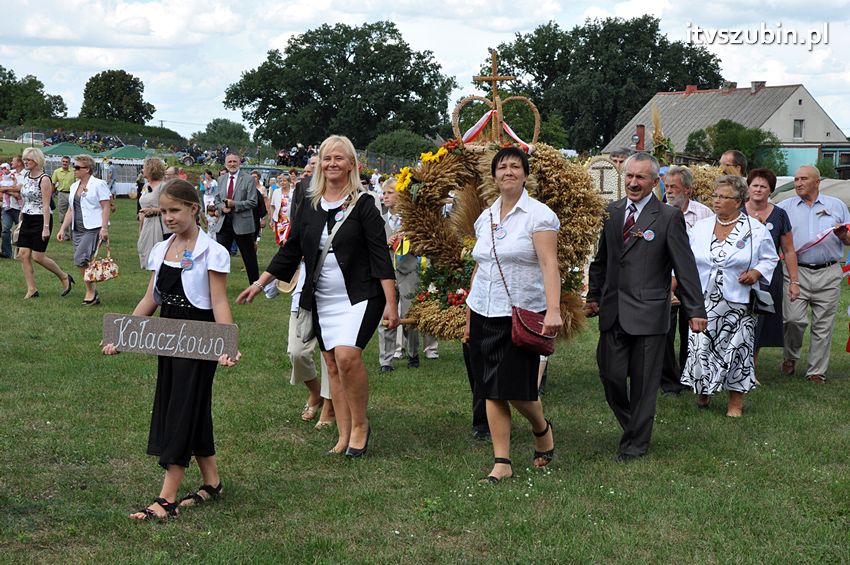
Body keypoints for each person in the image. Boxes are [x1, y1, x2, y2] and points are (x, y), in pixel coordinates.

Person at [237, 135, 398, 457]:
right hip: (321, 298)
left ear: (352, 164)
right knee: (332, 364)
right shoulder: (310, 203)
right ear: (320, 163)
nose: (332, 164)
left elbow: (380, 256)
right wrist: (259, 282)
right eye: (327, 158)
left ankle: (360, 426)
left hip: (360, 296)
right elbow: (292, 249)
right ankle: (343, 433)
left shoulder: (364, 204)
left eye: (339, 158)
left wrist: (391, 305)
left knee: (348, 357)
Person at [102, 179, 239, 521]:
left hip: (200, 339)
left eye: (175, 210)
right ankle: (212, 482)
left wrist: (227, 343)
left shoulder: (213, 251)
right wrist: (124, 334)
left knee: (181, 408)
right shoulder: (161, 250)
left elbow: (219, 301)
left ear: (194, 209)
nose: (168, 217)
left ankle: (167, 498)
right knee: (186, 405)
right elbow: (152, 298)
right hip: (168, 338)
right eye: (163, 211)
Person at [586, 152, 707, 462]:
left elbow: (685, 266)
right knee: (610, 376)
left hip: (650, 314)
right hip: (614, 312)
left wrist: (695, 310)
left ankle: (635, 444)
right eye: (628, 176)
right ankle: (635, 427)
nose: (633, 183)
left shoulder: (667, 217)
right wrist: (594, 296)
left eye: (640, 177)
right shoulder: (612, 212)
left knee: (643, 386)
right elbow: (602, 260)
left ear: (655, 182)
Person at [465, 146, 561, 483]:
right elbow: (481, 266)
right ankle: (501, 461)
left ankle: (541, 427)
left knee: (517, 390)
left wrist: (553, 309)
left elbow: (550, 264)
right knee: (490, 388)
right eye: (502, 167)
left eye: (515, 166)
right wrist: (468, 314)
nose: (508, 172)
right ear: (493, 176)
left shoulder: (540, 216)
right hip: (483, 311)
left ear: (525, 174)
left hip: (520, 313)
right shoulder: (485, 217)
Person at [682, 176, 779, 416]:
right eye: (715, 196)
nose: (716, 200)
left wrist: (756, 273)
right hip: (704, 299)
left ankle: (735, 402)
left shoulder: (755, 229)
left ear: (738, 201)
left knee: (738, 350)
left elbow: (770, 258)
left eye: (723, 197)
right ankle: (703, 389)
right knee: (701, 346)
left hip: (739, 302)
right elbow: (685, 259)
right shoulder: (701, 227)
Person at [777, 165, 850, 383]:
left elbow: (849, 239)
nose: (798, 183)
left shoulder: (836, 206)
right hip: (795, 271)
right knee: (792, 319)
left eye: (803, 179)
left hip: (828, 271)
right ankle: (790, 356)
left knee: (823, 324)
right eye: (796, 179)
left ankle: (816, 371)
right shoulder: (784, 207)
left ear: (817, 182)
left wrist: (844, 236)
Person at [660, 166, 714, 395]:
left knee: (691, 332)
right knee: (665, 332)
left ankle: (688, 375)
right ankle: (669, 381)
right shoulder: (659, 212)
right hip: (665, 280)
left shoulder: (705, 214)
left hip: (694, 281)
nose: (669, 191)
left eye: (674, 187)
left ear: (688, 190)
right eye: (667, 186)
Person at [745, 168, 800, 364]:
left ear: (771, 190)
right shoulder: (737, 211)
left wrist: (794, 281)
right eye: (755, 185)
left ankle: (751, 365)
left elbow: (789, 250)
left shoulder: (780, 214)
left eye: (763, 186)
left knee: (762, 319)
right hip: (740, 273)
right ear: (748, 188)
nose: (758, 190)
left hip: (769, 275)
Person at [16, 148, 74, 299]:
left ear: (37, 161)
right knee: (23, 254)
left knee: (37, 256)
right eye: (24, 159)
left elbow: (46, 205)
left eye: (28, 159)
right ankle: (32, 289)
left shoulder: (45, 179)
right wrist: (21, 219)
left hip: (41, 219)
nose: (25, 162)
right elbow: (26, 200)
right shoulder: (26, 176)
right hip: (27, 217)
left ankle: (64, 276)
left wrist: (46, 228)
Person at [377, 178, 423, 372]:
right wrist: (386, 242)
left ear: (401, 195)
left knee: (409, 314)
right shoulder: (379, 219)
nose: (385, 196)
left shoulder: (412, 221)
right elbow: (372, 246)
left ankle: (413, 353)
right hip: (386, 273)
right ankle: (386, 360)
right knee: (386, 315)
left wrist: (409, 241)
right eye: (384, 193)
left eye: (389, 193)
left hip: (408, 272)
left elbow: (423, 246)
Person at [56, 155, 112, 305]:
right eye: (74, 166)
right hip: (77, 229)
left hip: (93, 228)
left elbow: (106, 206)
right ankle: (92, 290)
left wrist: (104, 228)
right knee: (82, 262)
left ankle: (91, 291)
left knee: (80, 258)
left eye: (77, 167)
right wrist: (62, 229)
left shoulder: (99, 184)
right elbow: (70, 210)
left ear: (87, 169)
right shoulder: (74, 186)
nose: (74, 169)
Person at [211, 154, 260, 284]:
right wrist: (222, 207)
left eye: (234, 161)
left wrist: (234, 205)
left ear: (239, 163)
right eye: (229, 162)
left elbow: (253, 202)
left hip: (242, 223)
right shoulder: (221, 179)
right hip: (224, 222)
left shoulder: (248, 179)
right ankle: (216, 285)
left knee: (249, 256)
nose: (232, 164)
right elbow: (216, 199)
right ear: (225, 164)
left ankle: (255, 284)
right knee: (220, 257)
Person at [137, 157, 168, 269]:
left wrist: (153, 210)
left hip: (160, 225)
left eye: (144, 167)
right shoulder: (145, 186)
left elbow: (170, 207)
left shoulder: (163, 187)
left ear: (151, 169)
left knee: (159, 258)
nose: (142, 170)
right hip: (146, 223)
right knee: (145, 252)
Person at [0, 161, 22, 259]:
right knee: (5, 230)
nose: (3, 170)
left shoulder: (23, 175)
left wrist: (7, 190)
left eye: (5, 168)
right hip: (7, 207)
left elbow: (19, 190)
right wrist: (12, 189)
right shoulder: (5, 176)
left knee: (22, 230)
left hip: (19, 208)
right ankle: (6, 252)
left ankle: (22, 252)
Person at [51, 156, 75, 239]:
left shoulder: (74, 171)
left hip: (72, 194)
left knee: (73, 214)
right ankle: (65, 235)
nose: (65, 163)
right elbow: (53, 184)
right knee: (62, 214)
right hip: (62, 194)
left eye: (66, 162)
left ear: (69, 163)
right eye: (63, 161)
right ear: (61, 162)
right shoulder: (57, 172)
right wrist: (50, 195)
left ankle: (73, 235)